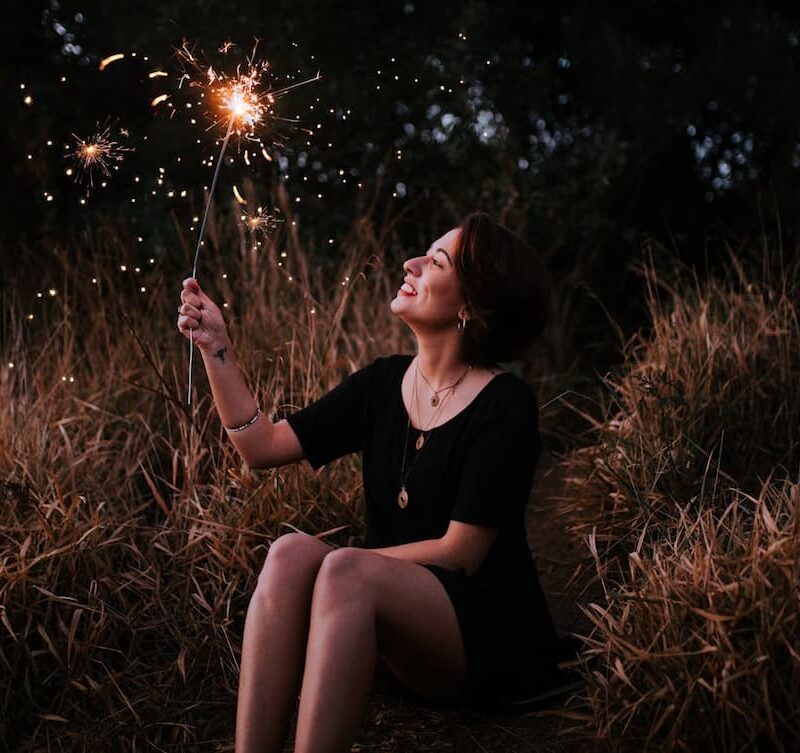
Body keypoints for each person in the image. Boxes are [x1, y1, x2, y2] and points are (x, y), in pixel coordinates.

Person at [176, 211, 582, 753]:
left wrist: (345, 568)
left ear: (469, 304)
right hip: (396, 627)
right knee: (289, 553)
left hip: (484, 636)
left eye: (436, 261)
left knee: (343, 569)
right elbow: (262, 446)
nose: (411, 263)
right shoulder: (383, 382)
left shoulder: (505, 403)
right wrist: (215, 347)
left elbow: (461, 552)